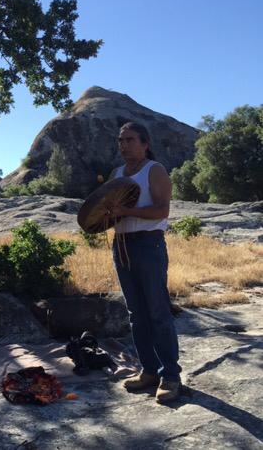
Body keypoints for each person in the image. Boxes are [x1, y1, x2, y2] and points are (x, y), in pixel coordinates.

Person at [105, 122, 182, 404]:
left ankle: (171, 376)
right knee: (136, 313)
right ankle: (149, 371)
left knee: (158, 311)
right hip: (122, 245)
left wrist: (124, 210)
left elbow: (162, 209)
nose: (124, 145)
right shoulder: (116, 174)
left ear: (145, 143)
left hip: (149, 244)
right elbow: (109, 212)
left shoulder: (155, 170)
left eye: (130, 140)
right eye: (120, 140)